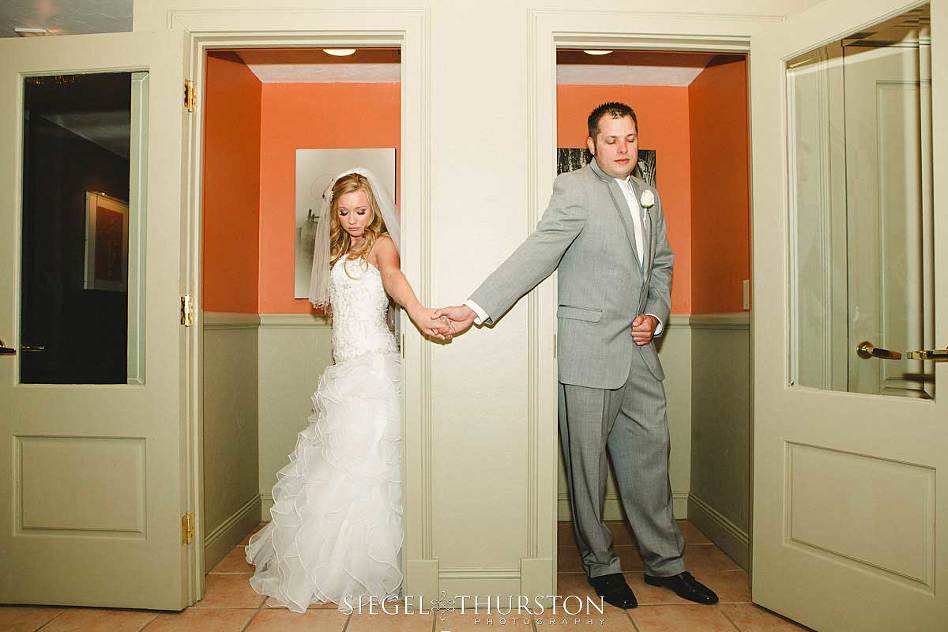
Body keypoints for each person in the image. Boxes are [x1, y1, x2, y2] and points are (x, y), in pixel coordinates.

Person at [436, 103, 718, 608]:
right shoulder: (574, 188)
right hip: (588, 352)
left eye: (630, 138)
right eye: (611, 140)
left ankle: (666, 564)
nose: (622, 149)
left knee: (651, 461)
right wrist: (475, 306)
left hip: (640, 354)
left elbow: (662, 266)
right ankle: (602, 566)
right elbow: (539, 251)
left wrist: (654, 315)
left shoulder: (649, 194)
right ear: (591, 144)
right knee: (586, 468)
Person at [245, 168, 453, 613]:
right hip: (343, 369)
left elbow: (393, 278)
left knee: (370, 464)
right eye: (345, 212)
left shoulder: (381, 245)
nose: (354, 219)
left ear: (373, 208)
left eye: (361, 211)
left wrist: (417, 312)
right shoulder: (341, 246)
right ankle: (331, 563)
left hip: (374, 367)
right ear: (335, 214)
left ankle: (371, 566)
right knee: (336, 460)